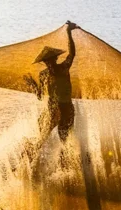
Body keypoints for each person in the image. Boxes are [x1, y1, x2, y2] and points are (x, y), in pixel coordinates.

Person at [23, 21, 79, 153]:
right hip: (55, 108)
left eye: (50, 60)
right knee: (45, 138)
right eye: (47, 61)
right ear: (45, 62)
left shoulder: (62, 68)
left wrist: (69, 33)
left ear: (55, 59)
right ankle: (28, 158)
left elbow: (72, 54)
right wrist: (33, 85)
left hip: (64, 108)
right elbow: (40, 96)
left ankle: (67, 164)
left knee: (63, 138)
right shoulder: (47, 73)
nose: (49, 63)